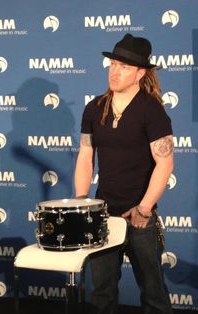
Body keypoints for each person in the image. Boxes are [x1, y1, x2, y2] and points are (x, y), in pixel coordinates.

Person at [74, 33, 174, 314]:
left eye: (124, 67)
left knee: (154, 294)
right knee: (102, 293)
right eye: (113, 64)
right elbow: (85, 156)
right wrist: (83, 202)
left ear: (140, 72)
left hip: (140, 216)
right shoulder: (94, 108)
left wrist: (144, 209)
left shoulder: (151, 109)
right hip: (103, 214)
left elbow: (165, 163)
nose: (115, 72)